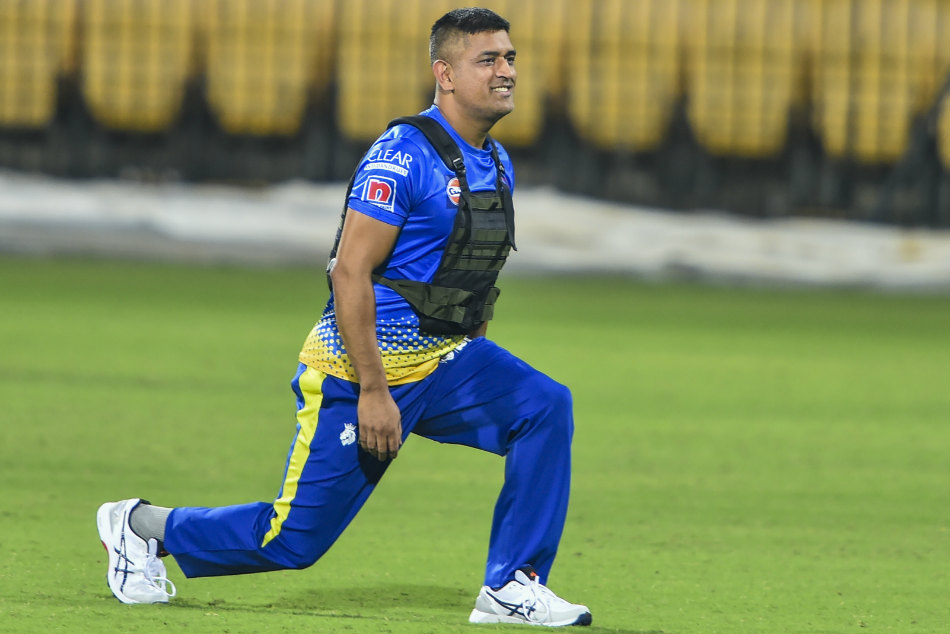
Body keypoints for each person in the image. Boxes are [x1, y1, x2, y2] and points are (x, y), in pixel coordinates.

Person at [96, 7, 591, 627]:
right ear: (444, 74)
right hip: (359, 372)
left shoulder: (496, 161)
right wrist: (375, 392)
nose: (506, 71)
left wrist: (474, 353)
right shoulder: (402, 155)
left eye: (510, 58)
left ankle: (512, 584)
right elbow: (349, 273)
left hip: (444, 362)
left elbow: (469, 273)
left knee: (544, 406)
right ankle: (140, 526)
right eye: (487, 59)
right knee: (291, 541)